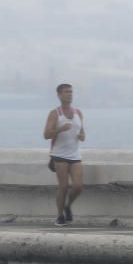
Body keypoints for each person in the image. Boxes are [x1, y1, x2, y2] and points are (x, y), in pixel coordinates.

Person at [43, 83, 85, 226]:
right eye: (66, 92)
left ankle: (68, 206)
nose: (70, 94)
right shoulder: (55, 113)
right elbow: (46, 135)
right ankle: (60, 216)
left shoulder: (78, 112)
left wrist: (81, 136)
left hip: (74, 155)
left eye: (71, 91)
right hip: (59, 155)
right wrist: (60, 129)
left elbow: (83, 134)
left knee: (78, 186)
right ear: (59, 95)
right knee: (64, 186)